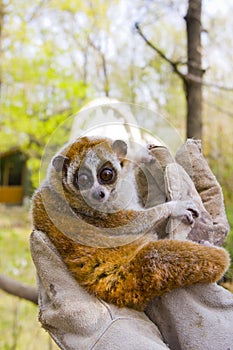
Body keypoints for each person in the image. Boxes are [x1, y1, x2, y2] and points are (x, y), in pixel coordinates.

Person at [30, 139, 233, 350]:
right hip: (118, 277)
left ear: (119, 160)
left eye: (105, 175)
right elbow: (125, 222)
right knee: (212, 259)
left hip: (121, 259)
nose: (97, 190)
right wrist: (171, 208)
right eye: (84, 180)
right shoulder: (63, 204)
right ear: (64, 176)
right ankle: (213, 261)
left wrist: (135, 160)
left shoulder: (61, 198)